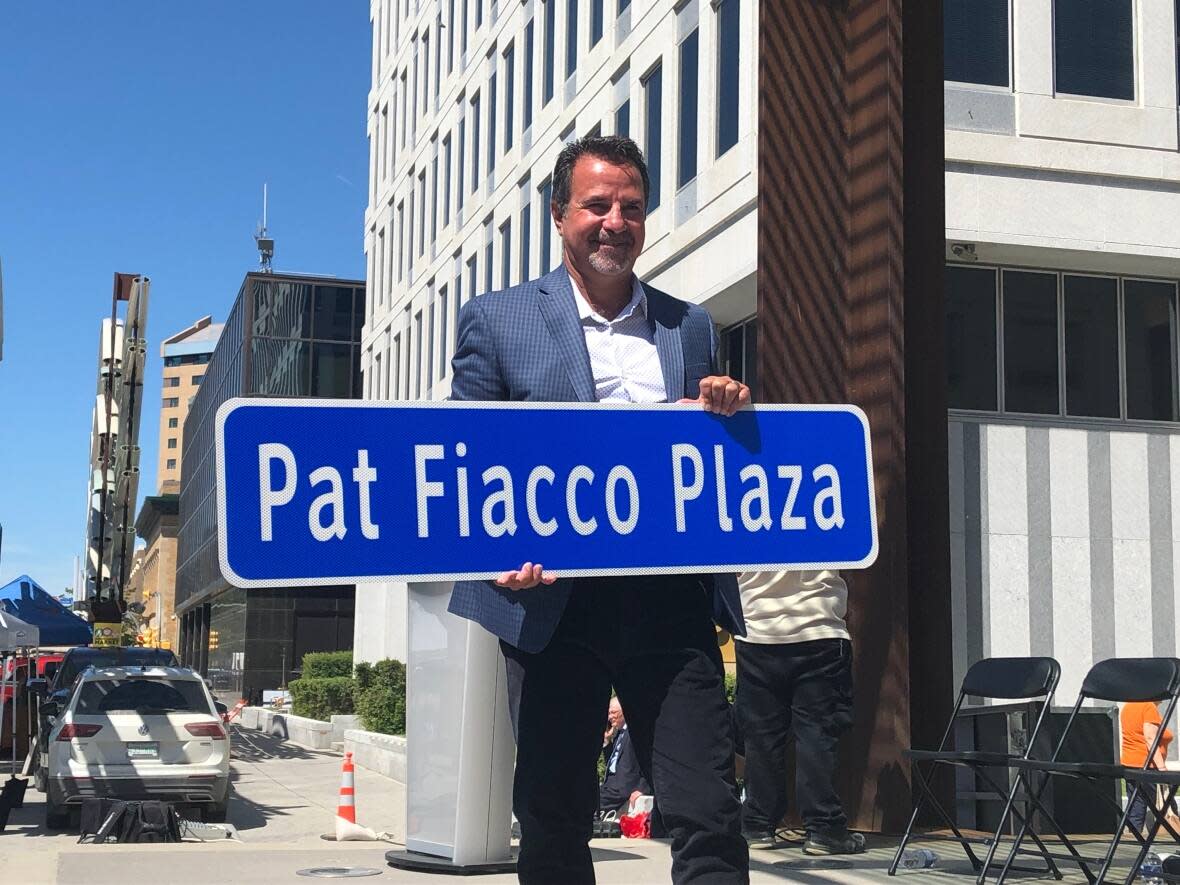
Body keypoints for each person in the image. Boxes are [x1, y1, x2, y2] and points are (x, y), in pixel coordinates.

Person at [448, 135, 751, 884]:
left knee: (709, 810)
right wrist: (494, 555)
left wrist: (729, 409)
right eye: (597, 205)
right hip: (552, 606)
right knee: (552, 813)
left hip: (670, 605)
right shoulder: (497, 319)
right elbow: (464, 462)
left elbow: (710, 461)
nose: (615, 220)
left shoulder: (693, 327)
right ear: (559, 215)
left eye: (631, 207)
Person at [733, 570, 865, 855]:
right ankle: (824, 827)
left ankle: (757, 824)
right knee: (817, 735)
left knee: (761, 737)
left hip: (757, 630)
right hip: (818, 626)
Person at [1121, 700, 1174, 835]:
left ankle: (1133, 839)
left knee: (1136, 803)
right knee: (1167, 805)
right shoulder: (1148, 706)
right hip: (1148, 764)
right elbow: (1150, 738)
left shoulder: (1129, 705)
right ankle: (1173, 837)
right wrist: (1161, 768)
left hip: (1130, 763)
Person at [599, 697, 651, 816]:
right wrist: (607, 742)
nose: (609, 717)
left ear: (624, 711)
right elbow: (614, 766)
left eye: (612, 712)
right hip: (610, 787)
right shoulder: (618, 734)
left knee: (589, 801)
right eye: (608, 713)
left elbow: (648, 762)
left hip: (623, 788)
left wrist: (643, 789)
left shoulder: (635, 734)